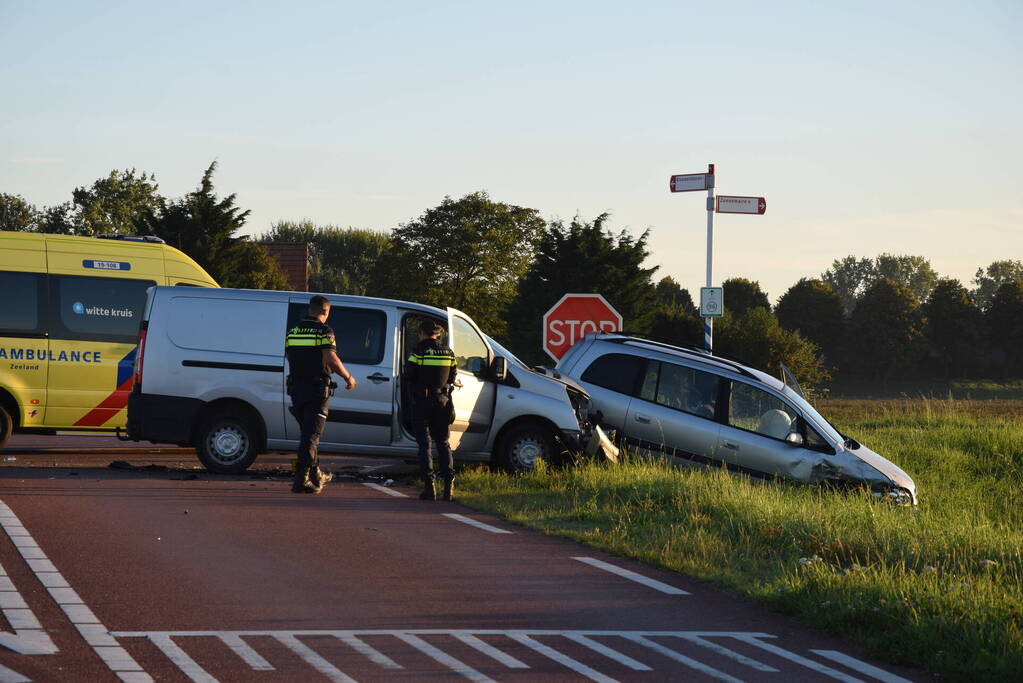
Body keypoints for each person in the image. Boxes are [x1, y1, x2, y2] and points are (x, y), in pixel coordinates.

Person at [284, 295, 357, 493]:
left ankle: (315, 473)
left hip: (296, 389)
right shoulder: (324, 331)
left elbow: (291, 356)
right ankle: (301, 480)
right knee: (311, 436)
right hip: (316, 390)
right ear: (324, 312)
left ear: (310, 309)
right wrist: (348, 377)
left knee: (307, 434)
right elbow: (330, 358)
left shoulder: (293, 332)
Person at [404, 320, 458, 501]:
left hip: (422, 401)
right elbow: (452, 376)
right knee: (443, 443)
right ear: (437, 334)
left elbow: (408, 373)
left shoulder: (418, 351)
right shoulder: (449, 353)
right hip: (442, 401)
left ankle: (430, 488)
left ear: (422, 333)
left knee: (424, 445)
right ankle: (449, 488)